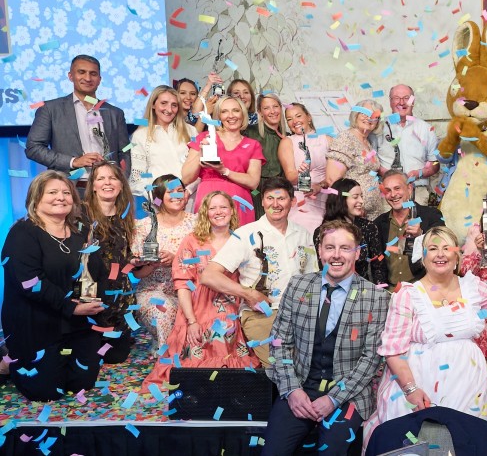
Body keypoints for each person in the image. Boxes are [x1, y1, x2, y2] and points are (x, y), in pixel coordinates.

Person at [364, 227, 487, 442]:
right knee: (415, 445)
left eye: (447, 248)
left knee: (462, 444)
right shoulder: (408, 295)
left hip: (467, 384)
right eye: (433, 248)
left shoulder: (473, 288)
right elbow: (392, 351)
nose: (441, 254)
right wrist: (411, 389)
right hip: (419, 385)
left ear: (457, 255)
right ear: (423, 257)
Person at [260, 220, 390, 456]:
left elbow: (371, 359)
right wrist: (292, 390)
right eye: (330, 247)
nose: (336, 255)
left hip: (348, 395)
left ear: (357, 252)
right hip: (300, 387)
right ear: (320, 251)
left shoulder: (376, 297)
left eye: (345, 248)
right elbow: (279, 343)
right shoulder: (298, 285)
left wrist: (333, 399)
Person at [1, 171, 104, 401]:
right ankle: (7, 363)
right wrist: (71, 306)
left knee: (82, 383)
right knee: (46, 392)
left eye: (66, 192)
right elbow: (30, 282)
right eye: (53, 192)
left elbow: (92, 272)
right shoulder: (23, 233)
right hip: (36, 322)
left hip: (74, 321)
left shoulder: (79, 233)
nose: (61, 197)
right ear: (36, 198)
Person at [144, 191, 258, 387]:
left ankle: (227, 381)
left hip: (233, 304)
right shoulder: (192, 241)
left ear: (232, 210)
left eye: (223, 207)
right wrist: (191, 320)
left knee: (227, 326)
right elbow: (182, 284)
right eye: (212, 208)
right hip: (198, 305)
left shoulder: (243, 239)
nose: (218, 212)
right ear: (205, 213)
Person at [200, 177, 318, 366]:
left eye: (281, 198)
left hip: (301, 314)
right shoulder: (247, 234)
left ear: (293, 201)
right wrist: (248, 293)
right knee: (281, 366)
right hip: (263, 315)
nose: (275, 204)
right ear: (262, 202)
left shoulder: (304, 234)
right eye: (270, 198)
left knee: (314, 364)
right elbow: (209, 275)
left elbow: (313, 277)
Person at [26, 55, 130, 174]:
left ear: (99, 79)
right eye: (81, 72)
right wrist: (73, 161)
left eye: (93, 74)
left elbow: (125, 151)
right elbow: (33, 148)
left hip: (107, 188)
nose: (87, 78)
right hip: (69, 187)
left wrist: (121, 179)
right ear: (71, 76)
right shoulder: (50, 109)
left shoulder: (115, 113)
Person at [130, 175, 197, 354]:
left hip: (192, 292)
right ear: (158, 197)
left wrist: (176, 259)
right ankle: (167, 357)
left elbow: (206, 262)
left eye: (180, 191)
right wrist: (151, 264)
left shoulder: (197, 224)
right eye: (170, 192)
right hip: (154, 291)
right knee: (163, 310)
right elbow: (137, 274)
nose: (177, 196)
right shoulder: (143, 226)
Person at [82, 162, 140, 363]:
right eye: (101, 178)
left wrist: (140, 262)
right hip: (90, 294)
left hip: (119, 297)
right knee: (90, 357)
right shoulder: (81, 214)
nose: (107, 182)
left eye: (113, 178)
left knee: (115, 357)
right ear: (93, 185)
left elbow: (126, 259)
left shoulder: (126, 216)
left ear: (121, 184)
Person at [181, 96, 265, 226]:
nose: (231, 116)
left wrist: (224, 171)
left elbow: (253, 182)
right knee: (207, 243)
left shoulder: (253, 144)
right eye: (224, 111)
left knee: (239, 244)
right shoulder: (203, 137)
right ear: (218, 116)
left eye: (236, 110)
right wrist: (201, 154)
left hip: (240, 204)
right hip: (208, 201)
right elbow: (186, 177)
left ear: (243, 114)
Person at [373, 170, 446, 289]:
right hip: (391, 293)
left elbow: (444, 245)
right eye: (388, 190)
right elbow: (377, 263)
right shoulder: (379, 223)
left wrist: (421, 235)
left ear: (409, 189)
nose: (393, 194)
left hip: (424, 291)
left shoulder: (431, 215)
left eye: (397, 188)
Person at [128, 85, 198, 198]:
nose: (169, 110)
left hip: (190, 198)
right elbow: (138, 179)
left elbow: (201, 168)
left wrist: (188, 192)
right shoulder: (140, 135)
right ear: (153, 105)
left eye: (174, 105)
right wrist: (158, 198)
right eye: (163, 103)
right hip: (159, 202)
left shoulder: (191, 131)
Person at [375, 84, 440, 205]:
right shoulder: (378, 128)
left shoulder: (426, 129)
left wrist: (419, 173)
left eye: (406, 98)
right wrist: (390, 175)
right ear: (390, 101)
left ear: (413, 101)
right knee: (389, 224)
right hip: (387, 193)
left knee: (416, 224)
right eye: (396, 98)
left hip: (418, 192)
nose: (401, 102)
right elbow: (371, 161)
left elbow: (435, 163)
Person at [326, 99, 389, 220]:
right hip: (354, 214)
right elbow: (332, 180)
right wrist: (353, 207)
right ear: (355, 115)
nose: (369, 118)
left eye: (374, 116)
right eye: (364, 113)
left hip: (373, 214)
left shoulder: (367, 141)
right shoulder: (345, 138)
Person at [318, 178, 388, 285]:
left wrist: (379, 294)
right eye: (355, 197)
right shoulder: (322, 232)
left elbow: (378, 266)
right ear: (341, 199)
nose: (361, 201)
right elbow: (322, 270)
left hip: (363, 291)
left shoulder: (369, 227)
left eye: (361, 196)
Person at [279, 102, 329, 233]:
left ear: (309, 117)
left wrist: (320, 186)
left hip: (329, 200)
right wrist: (302, 175)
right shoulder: (287, 142)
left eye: (298, 116)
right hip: (303, 201)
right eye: (289, 119)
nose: (295, 121)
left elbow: (335, 176)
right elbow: (290, 177)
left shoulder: (327, 140)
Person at [248, 93, 287, 218]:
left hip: (280, 191)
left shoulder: (288, 137)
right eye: (266, 108)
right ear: (260, 112)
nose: (272, 111)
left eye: (275, 106)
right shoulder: (249, 132)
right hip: (255, 191)